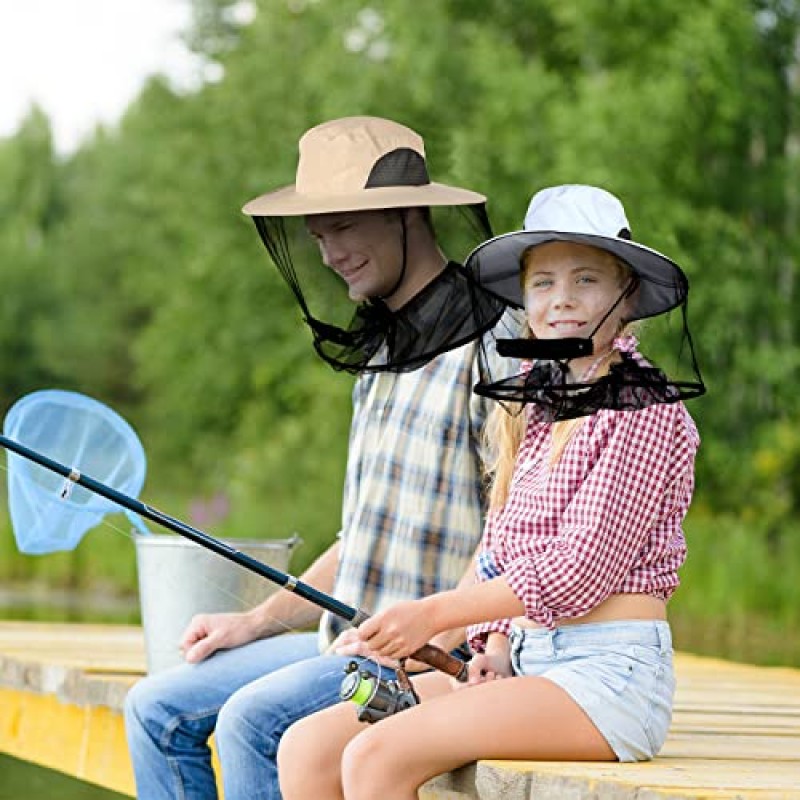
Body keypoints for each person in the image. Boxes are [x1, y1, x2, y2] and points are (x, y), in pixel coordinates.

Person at [123, 116, 511, 800]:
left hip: (420, 666)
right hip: (340, 645)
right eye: (317, 234)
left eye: (344, 226)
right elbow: (359, 542)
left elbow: (513, 535)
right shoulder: (381, 352)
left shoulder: (494, 346)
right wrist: (255, 620)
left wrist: (440, 634)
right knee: (153, 708)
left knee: (251, 722)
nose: (329, 253)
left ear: (407, 213)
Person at [276, 184, 702, 800]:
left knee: (378, 755)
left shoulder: (643, 409)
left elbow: (577, 571)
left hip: (608, 678)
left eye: (586, 280)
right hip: (528, 660)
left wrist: (432, 614)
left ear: (626, 295)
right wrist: (494, 643)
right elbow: (503, 547)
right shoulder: (540, 405)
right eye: (544, 283)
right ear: (524, 299)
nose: (563, 301)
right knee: (310, 748)